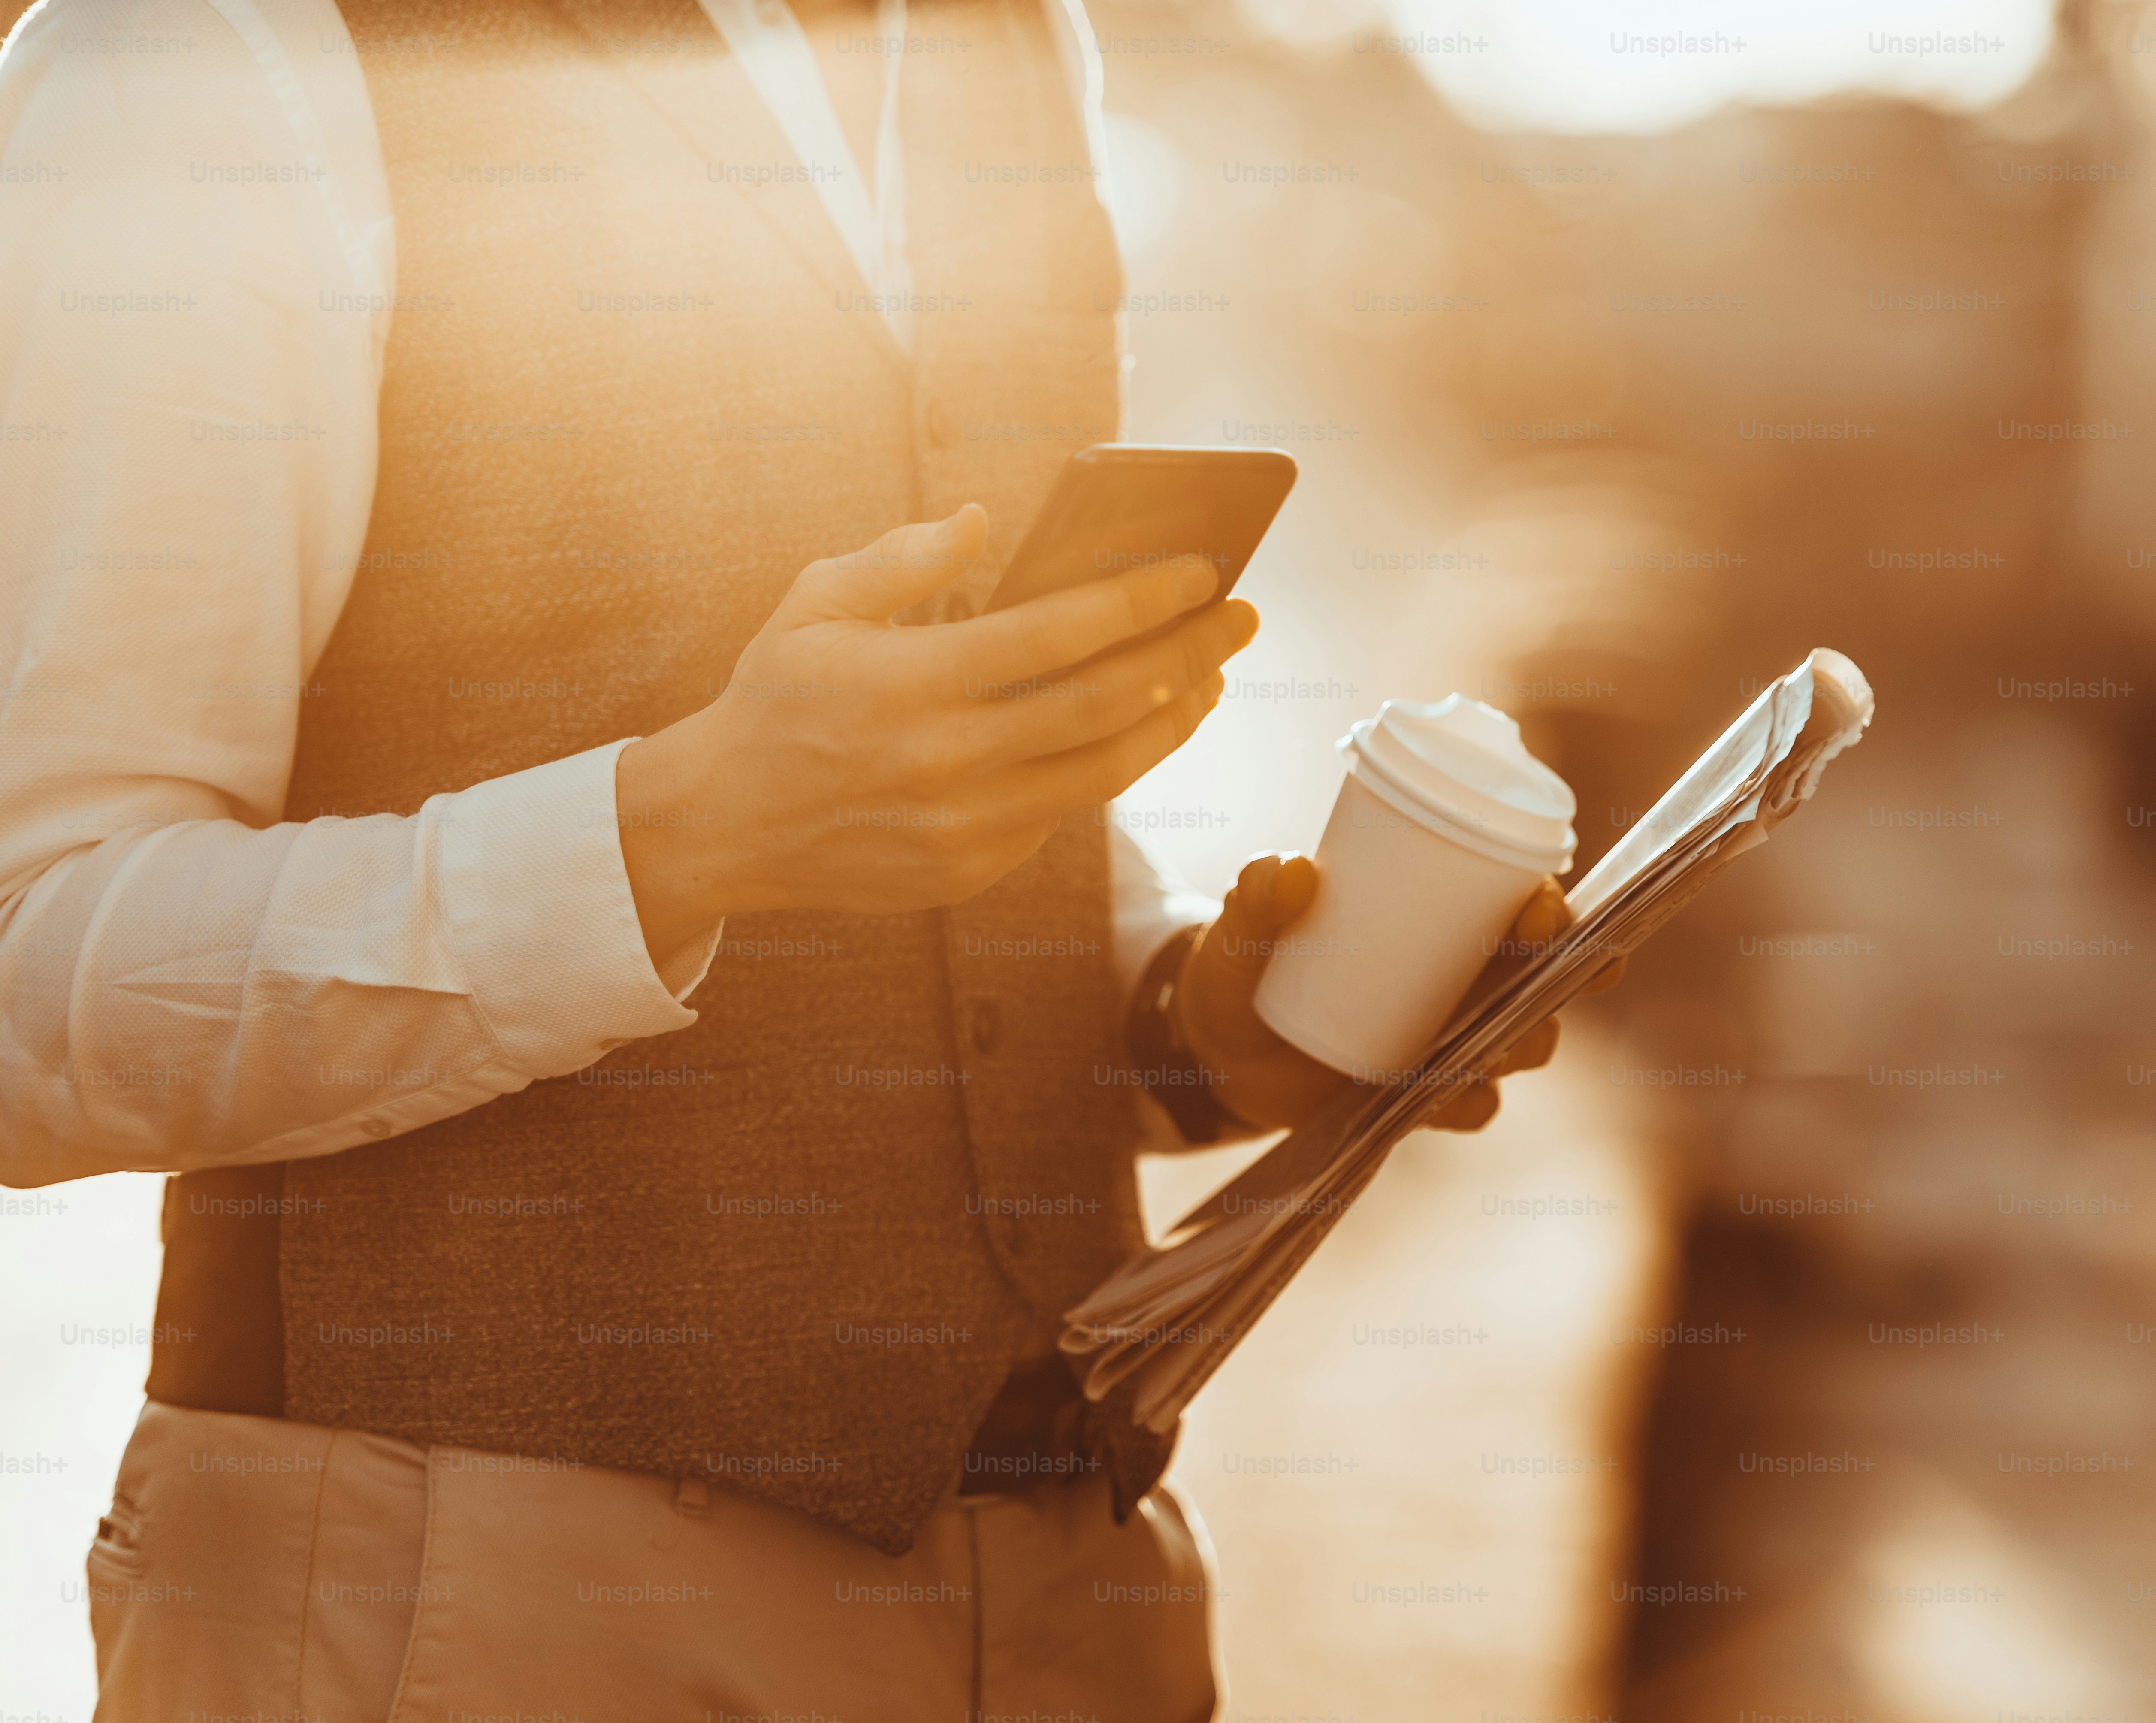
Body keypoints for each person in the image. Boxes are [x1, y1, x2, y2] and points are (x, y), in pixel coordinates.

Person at [0, 0, 1605, 1713]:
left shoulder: (1018, 47)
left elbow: (935, 780)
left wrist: (1185, 1017)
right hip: (468, 1606)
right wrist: (685, 835)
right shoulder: (203, 54)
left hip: (1074, 1593)